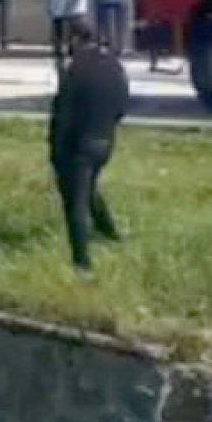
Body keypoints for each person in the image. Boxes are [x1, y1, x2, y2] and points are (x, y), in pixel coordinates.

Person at [49, 22, 130, 273]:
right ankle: (110, 233)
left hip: (78, 144)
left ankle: (81, 263)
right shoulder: (115, 67)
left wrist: (56, 150)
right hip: (105, 141)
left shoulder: (76, 71)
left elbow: (64, 113)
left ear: (74, 41)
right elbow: (122, 106)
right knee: (89, 188)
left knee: (76, 202)